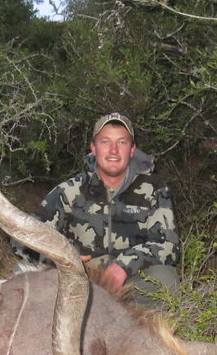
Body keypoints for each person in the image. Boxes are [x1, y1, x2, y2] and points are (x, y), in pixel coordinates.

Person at [14, 112, 180, 303]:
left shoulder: (154, 189)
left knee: (167, 279)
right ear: (93, 148)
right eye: (105, 142)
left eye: (122, 142)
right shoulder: (69, 190)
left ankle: (131, 328)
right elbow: (24, 238)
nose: (114, 151)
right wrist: (63, 257)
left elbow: (169, 245)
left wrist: (124, 265)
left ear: (132, 149)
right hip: (76, 281)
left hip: (127, 284)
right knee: (22, 272)